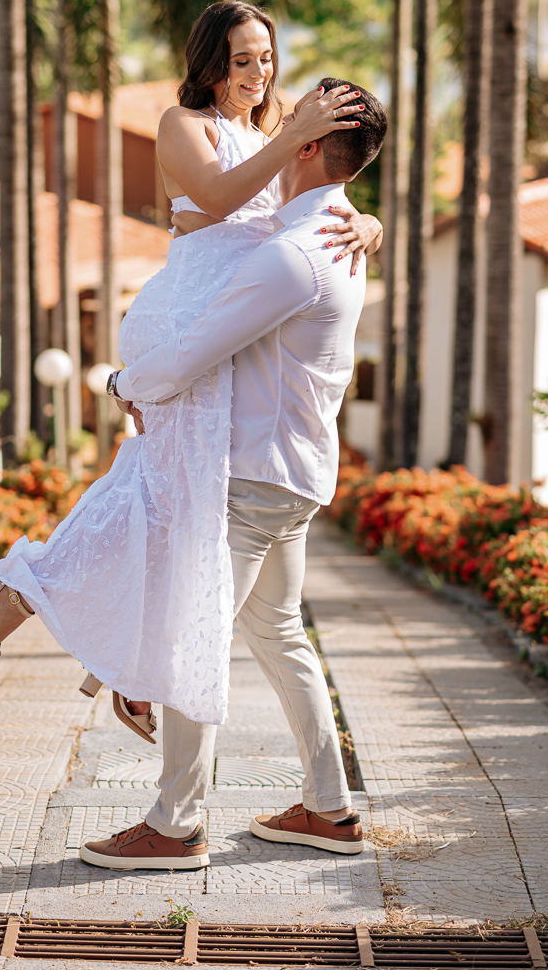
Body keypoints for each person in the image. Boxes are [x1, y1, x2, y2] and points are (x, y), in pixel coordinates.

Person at [0, 1, 379, 744]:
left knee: (164, 504)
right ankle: (49, 608)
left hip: (226, 331)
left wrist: (370, 223)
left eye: (267, 59)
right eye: (241, 60)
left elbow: (313, 204)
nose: (257, 73)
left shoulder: (274, 135)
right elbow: (218, 200)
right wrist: (296, 136)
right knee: (162, 499)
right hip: (186, 318)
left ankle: (63, 618)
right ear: (210, 63)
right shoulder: (185, 125)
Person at [77, 74, 387, 872]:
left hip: (252, 478)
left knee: (197, 633)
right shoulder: (340, 234)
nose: (276, 127)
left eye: (294, 123)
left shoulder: (293, 255)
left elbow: (191, 352)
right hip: (295, 472)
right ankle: (329, 807)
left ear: (314, 146)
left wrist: (119, 384)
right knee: (277, 631)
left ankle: (173, 828)